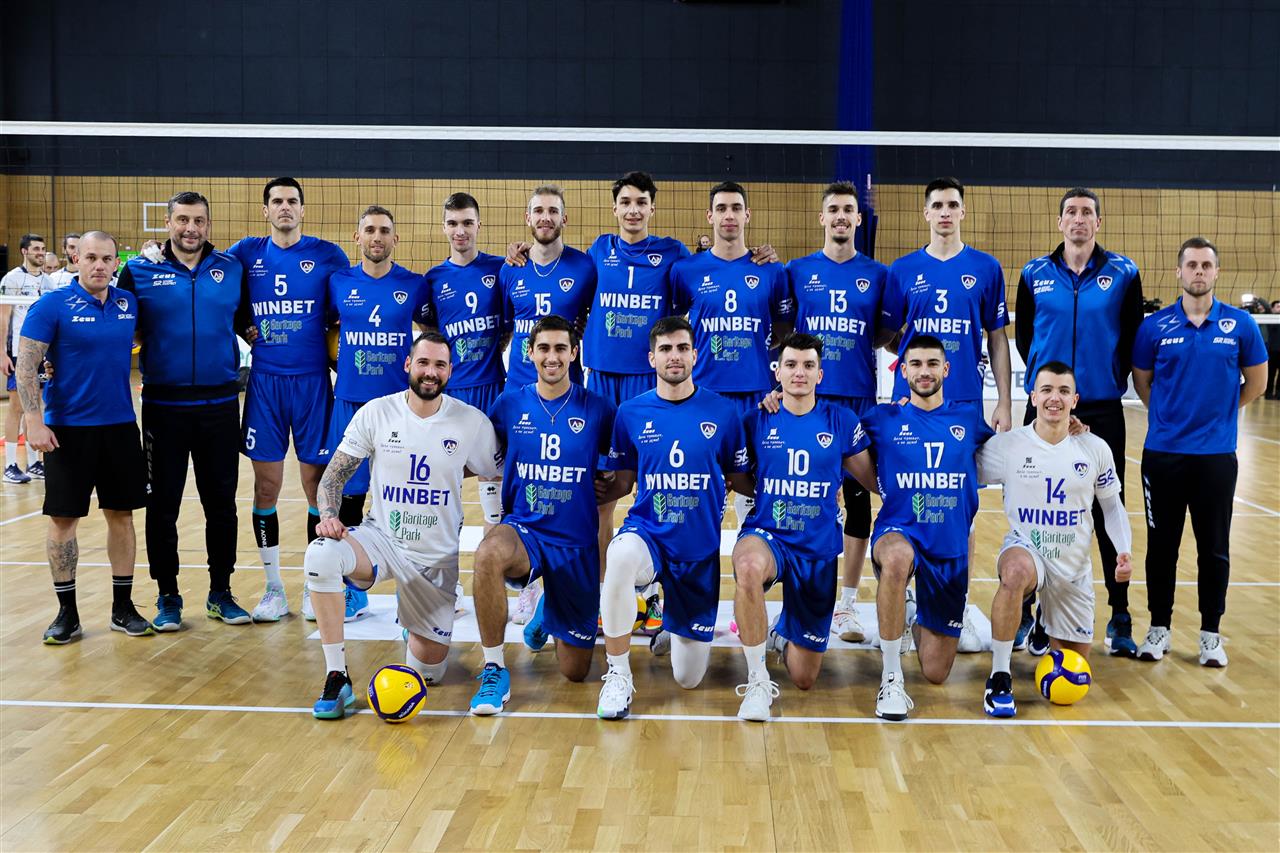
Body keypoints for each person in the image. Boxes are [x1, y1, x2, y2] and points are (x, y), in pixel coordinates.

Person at [304, 332, 502, 719]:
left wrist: (494, 525)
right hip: (381, 539)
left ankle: (414, 621)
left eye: (440, 365)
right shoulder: (377, 412)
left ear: (450, 371)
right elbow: (332, 479)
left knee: (429, 672)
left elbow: (495, 473)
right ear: (408, 364)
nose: (431, 372)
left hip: (434, 558)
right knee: (321, 555)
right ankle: (336, 676)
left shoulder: (471, 422)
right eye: (423, 362)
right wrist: (328, 517)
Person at [594, 316, 752, 720]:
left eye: (682, 348)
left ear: (695, 355)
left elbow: (741, 479)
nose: (674, 356)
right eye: (665, 349)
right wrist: (581, 493)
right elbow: (622, 482)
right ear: (652, 358)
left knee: (688, 678)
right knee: (620, 556)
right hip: (648, 535)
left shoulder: (724, 413)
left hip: (697, 554)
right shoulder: (630, 412)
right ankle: (618, 674)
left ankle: (670, 622)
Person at [881, 176, 1012, 653]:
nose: (944, 212)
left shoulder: (986, 268)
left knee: (962, 512)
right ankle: (906, 601)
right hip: (912, 411)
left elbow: (997, 338)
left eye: (952, 204)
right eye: (937, 204)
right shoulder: (902, 269)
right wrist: (915, 364)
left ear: (962, 211)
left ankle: (955, 606)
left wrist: (1004, 400)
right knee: (909, 504)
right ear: (926, 212)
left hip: (964, 408)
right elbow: (888, 336)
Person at [1014, 188, 1144, 657]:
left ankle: (1120, 615)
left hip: (1101, 406)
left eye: (1087, 212)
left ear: (1098, 222)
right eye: (1071, 211)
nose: (1079, 219)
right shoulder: (1034, 273)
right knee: (1035, 512)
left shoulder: (1123, 273)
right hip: (1046, 407)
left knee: (1107, 508)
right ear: (1060, 222)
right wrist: (1052, 394)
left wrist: (1099, 382)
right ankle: (1031, 613)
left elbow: (1131, 338)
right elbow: (1026, 337)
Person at [468, 315, 617, 715]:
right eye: (544, 348)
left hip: (576, 544)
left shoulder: (599, 409)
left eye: (561, 348)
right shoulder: (509, 404)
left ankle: (546, 609)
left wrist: (610, 481)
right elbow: (481, 458)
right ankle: (494, 668)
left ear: (574, 353)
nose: (553, 357)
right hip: (525, 531)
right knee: (487, 554)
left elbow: (625, 464)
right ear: (529, 353)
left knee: (575, 672)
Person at [117, 192, 252, 630]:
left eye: (198, 220)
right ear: (168, 223)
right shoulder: (139, 270)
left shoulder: (231, 268)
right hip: (163, 409)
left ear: (208, 225)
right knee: (162, 507)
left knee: (222, 506)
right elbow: (114, 325)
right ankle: (167, 596)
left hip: (219, 407)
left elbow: (248, 323)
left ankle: (220, 592)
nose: (190, 228)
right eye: (182, 220)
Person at [1131, 237, 1267, 668]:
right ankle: (1159, 628)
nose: (1199, 272)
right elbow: (1142, 382)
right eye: (1191, 265)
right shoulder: (1154, 327)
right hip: (1163, 455)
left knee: (1214, 548)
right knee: (1161, 547)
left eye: (1206, 265)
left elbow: (1258, 383)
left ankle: (1211, 634)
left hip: (1216, 457)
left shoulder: (1240, 324)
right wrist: (1170, 417)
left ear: (1216, 272)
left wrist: (1220, 414)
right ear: (1179, 272)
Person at [15, 231, 153, 643]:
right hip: (67, 430)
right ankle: (67, 614)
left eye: (107, 259)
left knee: (122, 516)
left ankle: (122, 608)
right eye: (91, 257)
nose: (99, 265)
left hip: (119, 426)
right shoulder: (52, 305)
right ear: (76, 259)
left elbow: (139, 337)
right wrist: (34, 421)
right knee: (63, 520)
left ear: (115, 263)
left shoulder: (128, 303)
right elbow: (26, 365)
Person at [732, 333, 876, 721]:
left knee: (804, 677)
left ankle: (782, 632)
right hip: (770, 536)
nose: (799, 372)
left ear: (820, 374)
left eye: (808, 365)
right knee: (747, 566)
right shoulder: (756, 419)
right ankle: (758, 680)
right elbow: (737, 476)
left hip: (817, 550)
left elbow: (874, 481)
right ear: (777, 372)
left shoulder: (841, 421)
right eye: (791, 365)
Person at [226, 177, 351, 623]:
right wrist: (243, 324)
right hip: (265, 385)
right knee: (266, 487)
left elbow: (345, 309)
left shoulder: (328, 255)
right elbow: (220, 288)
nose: (285, 207)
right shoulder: (246, 252)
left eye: (292, 201)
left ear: (302, 209)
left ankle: (316, 585)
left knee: (317, 487)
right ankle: (274, 589)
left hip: (314, 384)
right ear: (265, 210)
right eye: (277, 201)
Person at [976, 362, 1132, 717]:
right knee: (1014, 572)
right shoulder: (1008, 447)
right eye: (1046, 390)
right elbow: (961, 467)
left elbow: (1112, 506)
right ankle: (999, 676)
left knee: (1073, 670)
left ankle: (1045, 623)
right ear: (1033, 397)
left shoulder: (1094, 448)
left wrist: (1123, 551)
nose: (1054, 398)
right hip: (1027, 548)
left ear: (1075, 400)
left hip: (1072, 567)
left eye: (1063, 391)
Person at [859, 335, 995, 720]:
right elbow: (834, 438)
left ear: (946, 369)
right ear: (902, 371)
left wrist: (1064, 428)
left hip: (947, 550)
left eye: (932, 364)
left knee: (936, 672)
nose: (924, 372)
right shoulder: (883, 418)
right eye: (916, 364)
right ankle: (891, 676)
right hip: (898, 532)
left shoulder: (968, 419)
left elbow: (1014, 451)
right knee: (897, 558)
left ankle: (911, 613)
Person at [785, 181, 890, 644]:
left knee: (859, 502)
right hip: (810, 404)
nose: (841, 216)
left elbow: (885, 334)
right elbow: (783, 330)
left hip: (859, 402)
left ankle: (846, 605)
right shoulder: (797, 270)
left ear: (858, 219)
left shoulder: (878, 275)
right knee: (803, 498)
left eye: (849, 209)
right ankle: (796, 601)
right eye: (834, 209)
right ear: (822, 217)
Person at [320, 204, 428, 621]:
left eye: (384, 230)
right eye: (370, 230)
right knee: (349, 497)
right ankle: (352, 589)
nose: (377, 237)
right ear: (357, 237)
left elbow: (434, 330)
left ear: (395, 239)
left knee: (405, 499)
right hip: (349, 401)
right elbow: (325, 326)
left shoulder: (414, 285)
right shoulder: (338, 282)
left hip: (398, 408)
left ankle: (414, 588)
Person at [669, 181, 791, 528]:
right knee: (702, 490)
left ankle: (753, 555)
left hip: (756, 395)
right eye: (721, 208)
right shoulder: (686, 270)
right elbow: (672, 327)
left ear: (747, 214)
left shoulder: (771, 270)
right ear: (710, 216)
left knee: (754, 487)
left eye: (736, 208)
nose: (729, 215)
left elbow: (784, 329)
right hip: (704, 395)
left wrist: (757, 351)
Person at [500, 185, 596, 390]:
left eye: (553, 211)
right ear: (528, 218)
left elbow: (597, 316)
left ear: (564, 219)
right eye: (538, 211)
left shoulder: (585, 267)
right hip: (519, 387)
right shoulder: (510, 269)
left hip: (567, 385)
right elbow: (505, 329)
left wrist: (587, 327)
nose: (545, 217)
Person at [419, 192, 508, 415]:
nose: (460, 231)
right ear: (444, 227)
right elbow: (429, 331)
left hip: (493, 384)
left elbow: (516, 316)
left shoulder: (501, 268)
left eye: (467, 223)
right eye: (453, 223)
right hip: (451, 387)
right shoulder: (433, 279)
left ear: (479, 225)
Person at [1, 233, 55, 484]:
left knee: (37, 405)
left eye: (43, 249)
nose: (40, 253)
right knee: (17, 407)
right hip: (18, 352)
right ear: (24, 251)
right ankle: (10, 465)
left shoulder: (48, 282)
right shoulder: (11, 279)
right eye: (36, 249)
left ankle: (34, 463)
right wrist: (2, 353)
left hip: (43, 351)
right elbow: (3, 319)